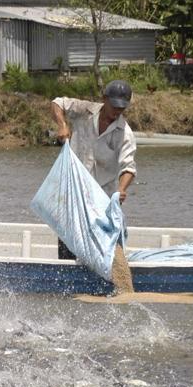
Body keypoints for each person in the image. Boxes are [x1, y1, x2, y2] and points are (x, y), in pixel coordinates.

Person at [51, 79, 137, 259]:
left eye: (121, 109)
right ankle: (68, 272)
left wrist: (121, 189)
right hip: (74, 188)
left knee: (101, 243)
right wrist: (62, 125)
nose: (116, 112)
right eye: (114, 106)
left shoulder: (124, 133)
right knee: (68, 237)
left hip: (101, 195)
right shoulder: (84, 110)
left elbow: (128, 167)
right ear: (104, 99)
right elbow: (57, 103)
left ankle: (101, 272)